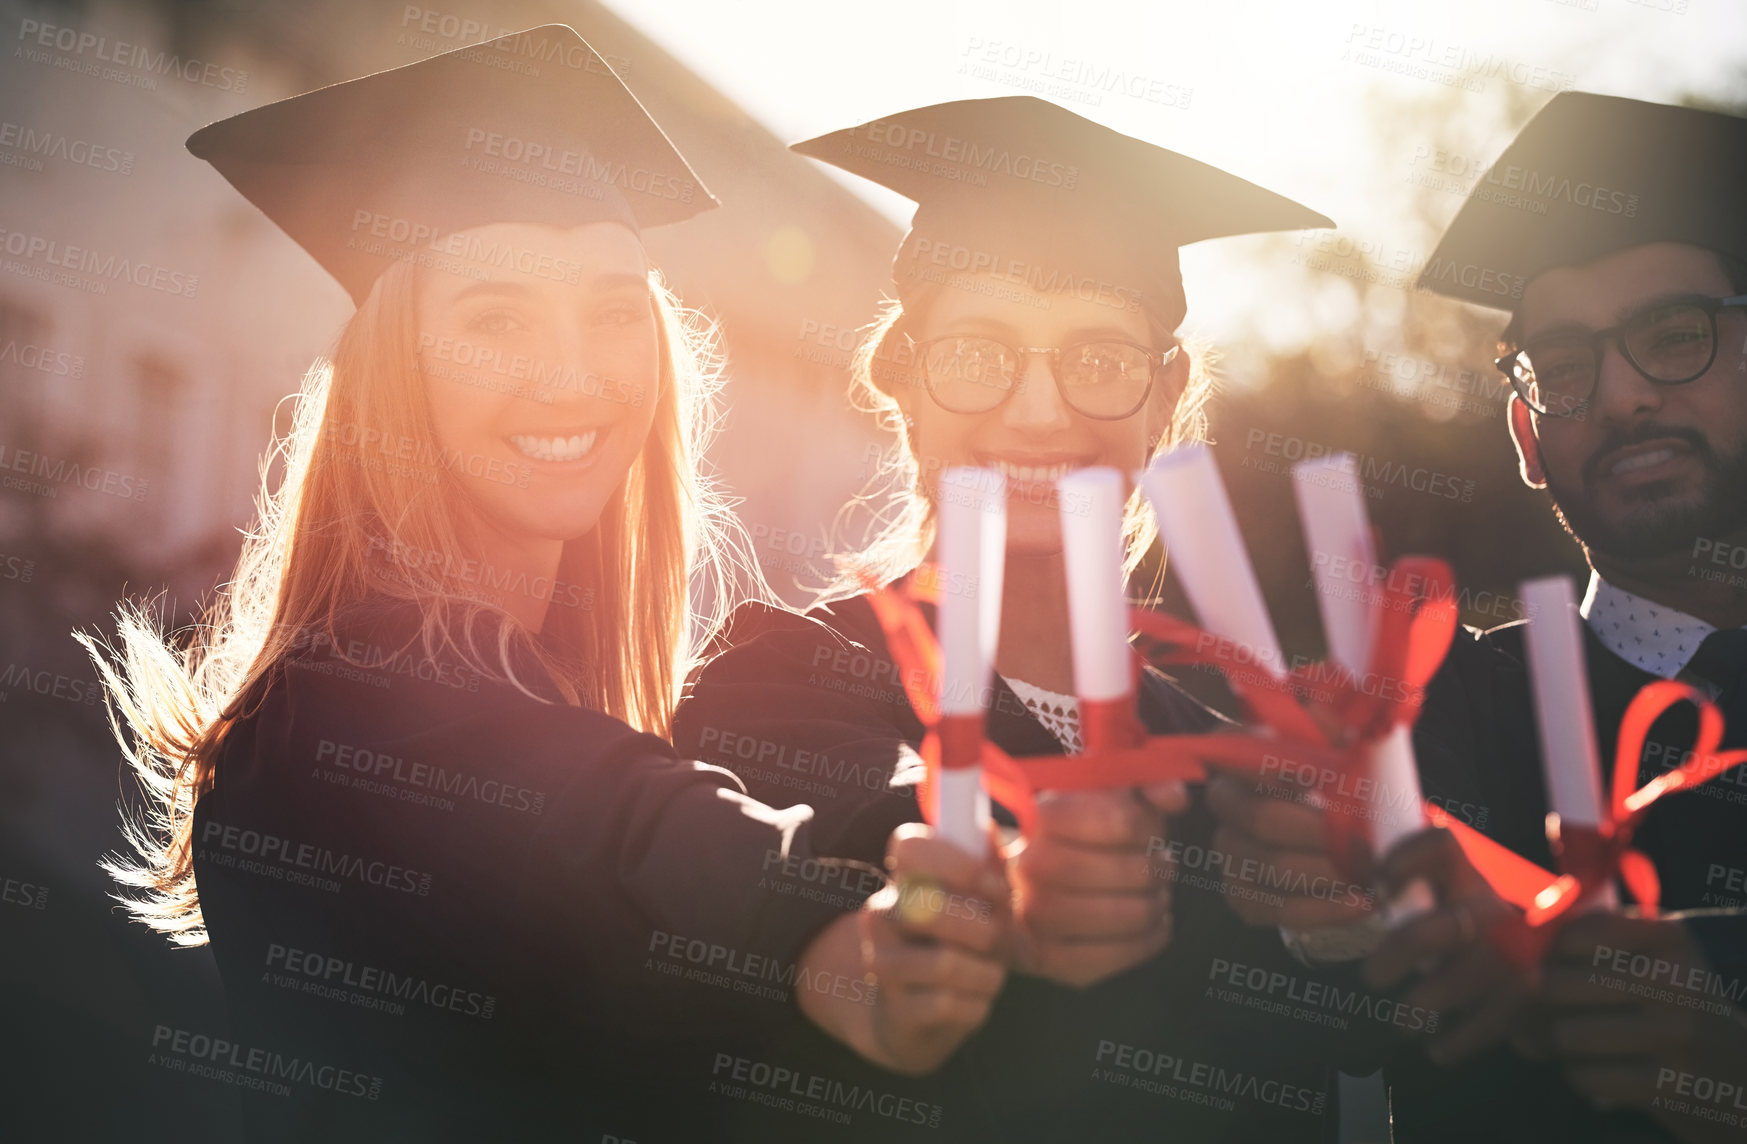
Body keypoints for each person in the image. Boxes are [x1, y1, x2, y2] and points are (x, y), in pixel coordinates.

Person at [79, 27, 1007, 1143]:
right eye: (495, 318)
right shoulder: (345, 708)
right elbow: (625, 827)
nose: (572, 373)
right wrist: (854, 931)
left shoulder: (554, 693)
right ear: (397, 374)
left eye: (614, 309)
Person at [674, 95, 1356, 1141]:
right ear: (899, 379)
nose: (1038, 411)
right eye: (979, 350)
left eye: (1098, 358)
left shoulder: (1244, 780)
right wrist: (992, 876)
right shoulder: (780, 682)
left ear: (1165, 396)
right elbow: (837, 841)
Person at [1205, 91, 1747, 1143]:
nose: (1622, 396)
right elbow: (1330, 1007)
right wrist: (1315, 904)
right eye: (1565, 367)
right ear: (1524, 434)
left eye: (1673, 337)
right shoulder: (1429, 715)